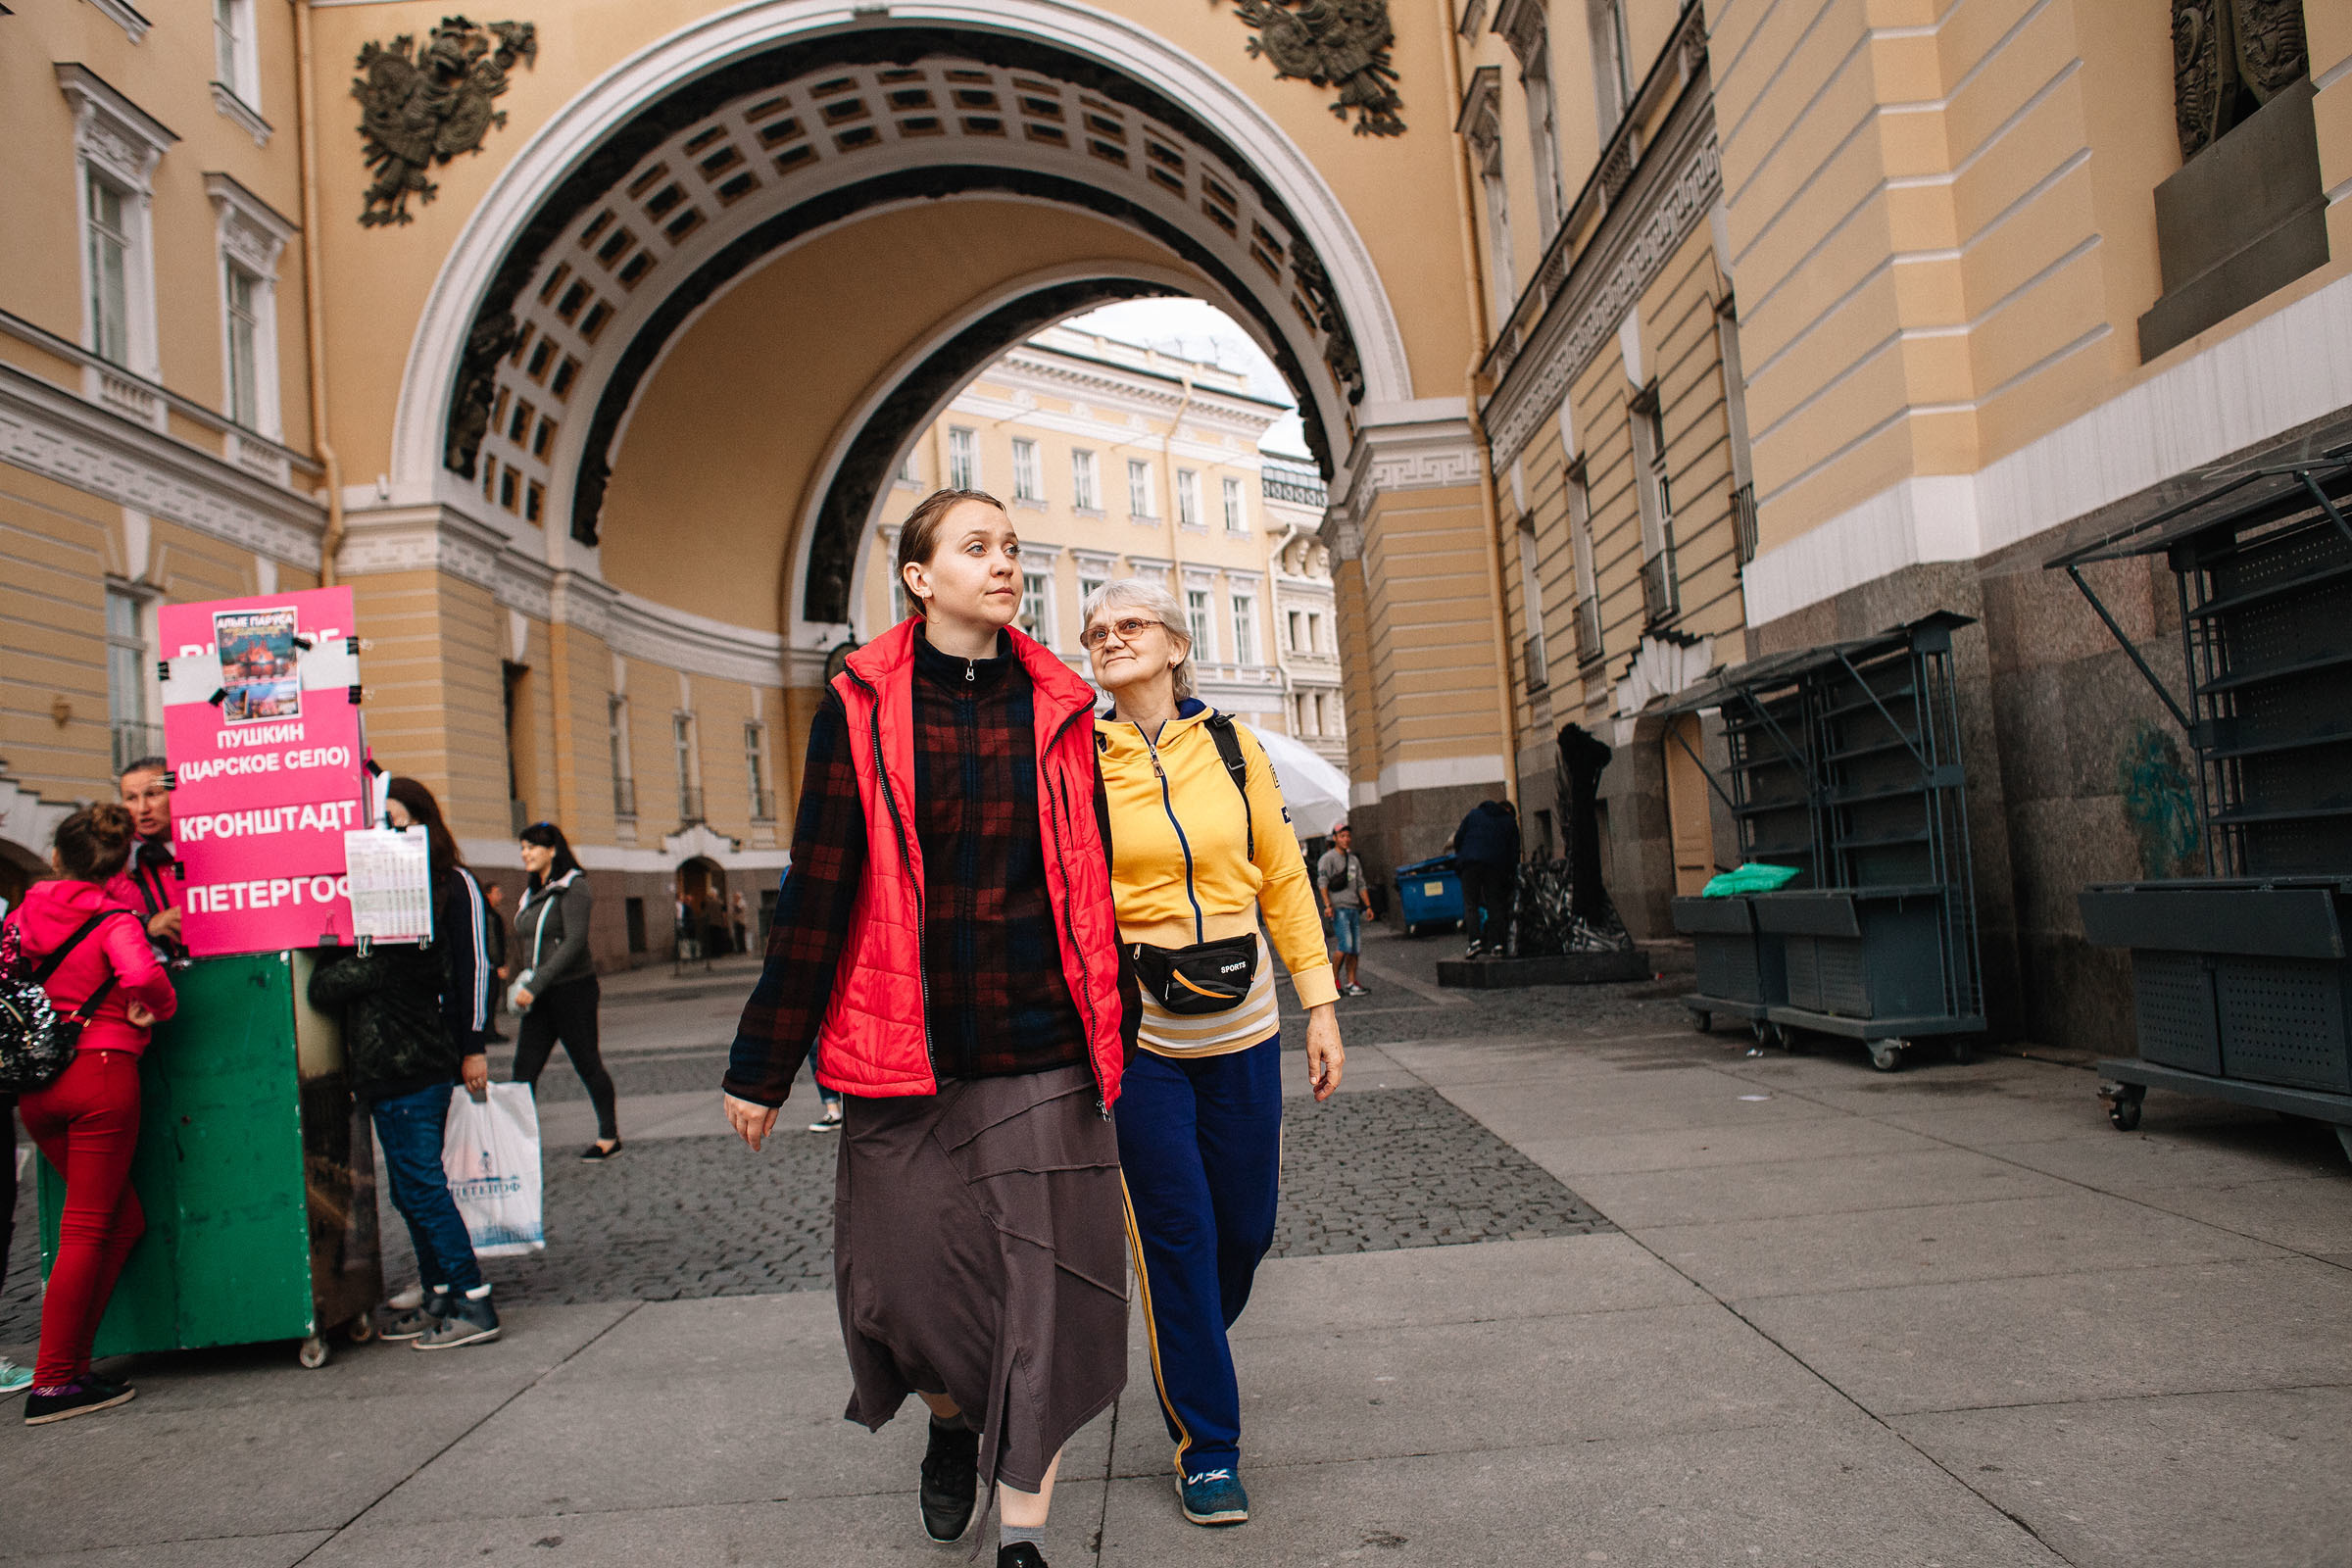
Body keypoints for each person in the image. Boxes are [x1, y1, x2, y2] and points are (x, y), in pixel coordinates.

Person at [722, 489, 1129, 1568]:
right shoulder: (859, 707)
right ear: (919, 577)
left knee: (1040, 1295)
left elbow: (1090, 882)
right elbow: (818, 891)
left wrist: (1113, 1028)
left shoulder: (1060, 706)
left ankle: (1025, 1540)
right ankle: (950, 1418)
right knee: (901, 1294)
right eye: (977, 547)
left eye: (1011, 548)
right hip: (903, 1056)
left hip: (1039, 1047)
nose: (1004, 564)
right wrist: (763, 1063)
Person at [1084, 579, 1344, 1528]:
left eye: (1131, 626)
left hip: (1244, 1027)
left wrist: (1319, 1002)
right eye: (1099, 632)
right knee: (1177, 1237)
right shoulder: (1079, 758)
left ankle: (1184, 1337)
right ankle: (1209, 1446)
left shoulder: (1234, 748)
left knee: (1245, 1229)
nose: (1112, 639)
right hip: (1138, 1039)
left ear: (1175, 645)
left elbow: (1282, 874)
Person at [311, 776, 502, 1350]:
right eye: (380, 825)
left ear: (425, 822)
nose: (389, 834)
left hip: (422, 1058)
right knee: (410, 1189)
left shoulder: (452, 886)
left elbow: (476, 965)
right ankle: (441, 1289)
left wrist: (473, 1044)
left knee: (421, 1184)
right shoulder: (381, 894)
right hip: (388, 1064)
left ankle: (471, 1299)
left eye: (399, 822)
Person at [6, 803, 176, 1422]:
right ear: (116, 866)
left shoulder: (21, 915)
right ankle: (54, 1381)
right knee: (85, 1231)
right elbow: (147, 979)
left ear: (56, 856)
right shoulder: (117, 918)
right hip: (101, 1076)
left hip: (37, 1085)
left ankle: (73, 1364)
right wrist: (149, 1007)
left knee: (121, 1221)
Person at [508, 821, 619, 1161]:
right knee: (523, 1072)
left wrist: (536, 983)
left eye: (532, 847)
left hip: (573, 991)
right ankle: (518, 1144)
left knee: (587, 1064)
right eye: (523, 848)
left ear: (553, 849)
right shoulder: (532, 893)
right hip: (540, 995)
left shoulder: (574, 887)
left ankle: (609, 1137)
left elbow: (573, 943)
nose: (526, 853)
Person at [110, 757, 183, 964]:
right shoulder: (117, 861)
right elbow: (99, 924)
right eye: (131, 798)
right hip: (156, 983)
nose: (142, 808)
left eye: (152, 794)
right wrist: (147, 924)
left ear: (175, 792)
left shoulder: (210, 846)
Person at [1452, 797, 1521, 958]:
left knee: (1471, 904)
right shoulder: (1509, 822)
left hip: (1470, 864)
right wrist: (1510, 874)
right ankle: (1498, 944)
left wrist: (1462, 855)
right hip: (1495, 866)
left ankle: (1475, 942)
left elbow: (1458, 838)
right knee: (1494, 904)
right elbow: (1514, 853)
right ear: (1509, 811)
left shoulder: (1474, 815)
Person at [1315, 823, 1373, 997]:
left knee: (1355, 948)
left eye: (1348, 836)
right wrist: (1327, 905)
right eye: (1342, 836)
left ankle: (1351, 982)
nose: (1346, 839)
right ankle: (1333, 980)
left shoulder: (1353, 860)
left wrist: (1368, 906)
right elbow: (1322, 883)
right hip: (1339, 908)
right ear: (1335, 838)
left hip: (1354, 907)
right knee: (1344, 945)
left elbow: (1361, 884)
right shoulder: (1328, 858)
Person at [481, 881, 510, 1043]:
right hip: (490, 965)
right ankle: (488, 1031)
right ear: (488, 894)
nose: (501, 896)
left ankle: (489, 1030)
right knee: (489, 999)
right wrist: (498, 964)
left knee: (491, 999)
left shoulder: (488, 914)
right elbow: (492, 941)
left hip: (490, 964)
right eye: (497, 892)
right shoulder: (489, 916)